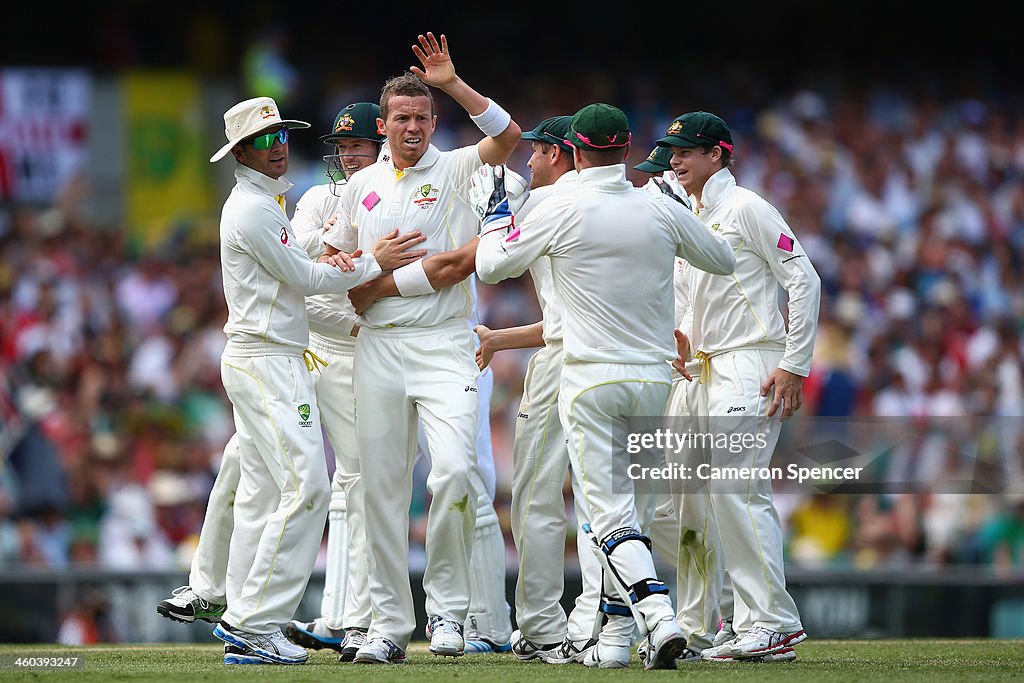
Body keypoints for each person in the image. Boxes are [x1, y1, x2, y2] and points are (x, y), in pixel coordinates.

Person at [160, 96, 420, 666]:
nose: (279, 148)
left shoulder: (265, 204)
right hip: (267, 361)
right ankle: (255, 624)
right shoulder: (252, 209)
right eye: (265, 140)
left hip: (275, 358)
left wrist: (336, 250)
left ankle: (231, 604)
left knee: (257, 485)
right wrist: (372, 260)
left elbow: (295, 267)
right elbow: (306, 279)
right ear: (241, 152)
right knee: (308, 489)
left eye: (281, 137)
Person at [475, 103, 735, 670]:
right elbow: (722, 258)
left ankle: (658, 616)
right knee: (629, 514)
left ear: (575, 150)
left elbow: (492, 266)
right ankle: (616, 642)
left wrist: (497, 215)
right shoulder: (656, 205)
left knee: (609, 516)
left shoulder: (559, 204)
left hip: (590, 377)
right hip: (653, 379)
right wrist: (670, 214)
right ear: (625, 147)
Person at [325, 33, 521, 665]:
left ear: (434, 121)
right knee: (379, 489)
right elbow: (335, 269)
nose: (412, 127)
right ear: (382, 126)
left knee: (458, 473)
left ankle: (447, 611)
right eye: (401, 118)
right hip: (378, 347)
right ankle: (386, 624)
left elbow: (509, 134)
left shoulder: (461, 166)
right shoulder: (360, 188)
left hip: (444, 343)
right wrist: (364, 272)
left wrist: (451, 82)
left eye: (422, 117)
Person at [657, 111, 820, 662]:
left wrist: (794, 363)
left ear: (718, 155)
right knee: (690, 503)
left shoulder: (747, 206)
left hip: (750, 363)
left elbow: (803, 278)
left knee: (735, 488)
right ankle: (725, 620)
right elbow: (691, 298)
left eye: (687, 151)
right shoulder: (689, 212)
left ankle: (773, 621)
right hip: (700, 370)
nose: (675, 160)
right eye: (672, 151)